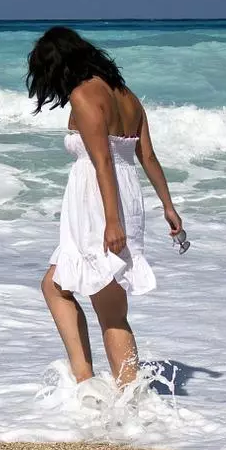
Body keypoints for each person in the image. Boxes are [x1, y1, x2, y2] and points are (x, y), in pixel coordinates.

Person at [27, 26, 183, 390]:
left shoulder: (84, 95)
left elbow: (102, 164)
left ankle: (115, 395)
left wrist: (112, 222)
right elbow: (147, 156)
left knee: (104, 305)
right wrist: (168, 205)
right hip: (126, 195)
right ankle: (100, 387)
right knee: (64, 288)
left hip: (101, 203)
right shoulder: (128, 97)